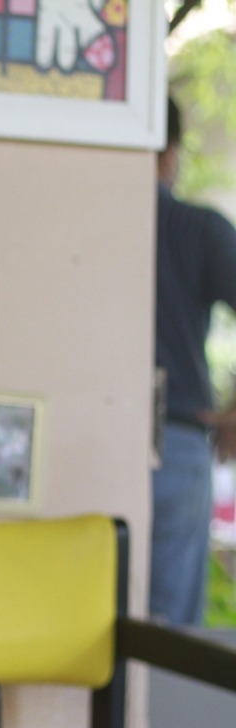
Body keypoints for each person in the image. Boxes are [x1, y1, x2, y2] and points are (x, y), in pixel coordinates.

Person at [153, 97, 236, 625]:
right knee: (169, 643)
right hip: (177, 438)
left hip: (73, 442)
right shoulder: (196, 227)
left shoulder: (75, 220)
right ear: (171, 154)